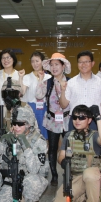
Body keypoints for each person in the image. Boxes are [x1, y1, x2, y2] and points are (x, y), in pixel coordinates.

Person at [52, 105, 101, 202]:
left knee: (89, 174)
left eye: (82, 117)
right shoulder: (69, 136)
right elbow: (60, 156)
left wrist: (98, 117)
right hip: (76, 178)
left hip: (93, 177)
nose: (77, 120)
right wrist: (63, 162)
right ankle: (85, 196)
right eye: (75, 117)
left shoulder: (94, 136)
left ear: (89, 120)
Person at [0, 106, 49, 202]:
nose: (16, 127)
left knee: (33, 181)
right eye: (14, 123)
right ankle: (22, 199)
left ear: (28, 124)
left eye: (20, 124)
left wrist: (25, 145)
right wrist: (1, 141)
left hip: (31, 178)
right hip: (12, 179)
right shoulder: (9, 136)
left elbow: (34, 169)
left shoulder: (39, 141)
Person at [36, 53, 71, 187]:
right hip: (52, 120)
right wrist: (40, 80)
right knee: (52, 148)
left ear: (63, 66)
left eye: (57, 64)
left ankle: (68, 172)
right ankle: (54, 175)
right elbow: (38, 95)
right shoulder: (48, 81)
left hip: (67, 119)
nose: (54, 67)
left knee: (69, 147)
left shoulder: (70, 82)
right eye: (52, 65)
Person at [64, 51, 101, 129]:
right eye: (80, 62)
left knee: (94, 141)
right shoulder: (70, 83)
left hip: (94, 121)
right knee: (73, 141)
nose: (83, 64)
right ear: (77, 64)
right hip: (75, 121)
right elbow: (64, 104)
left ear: (92, 63)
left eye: (86, 62)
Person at [22, 51, 51, 139]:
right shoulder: (27, 77)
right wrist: (20, 78)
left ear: (42, 62)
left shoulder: (48, 77)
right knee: (31, 133)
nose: (35, 64)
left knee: (45, 134)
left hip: (44, 108)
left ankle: (45, 151)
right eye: (32, 61)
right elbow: (22, 92)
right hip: (31, 108)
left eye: (37, 61)